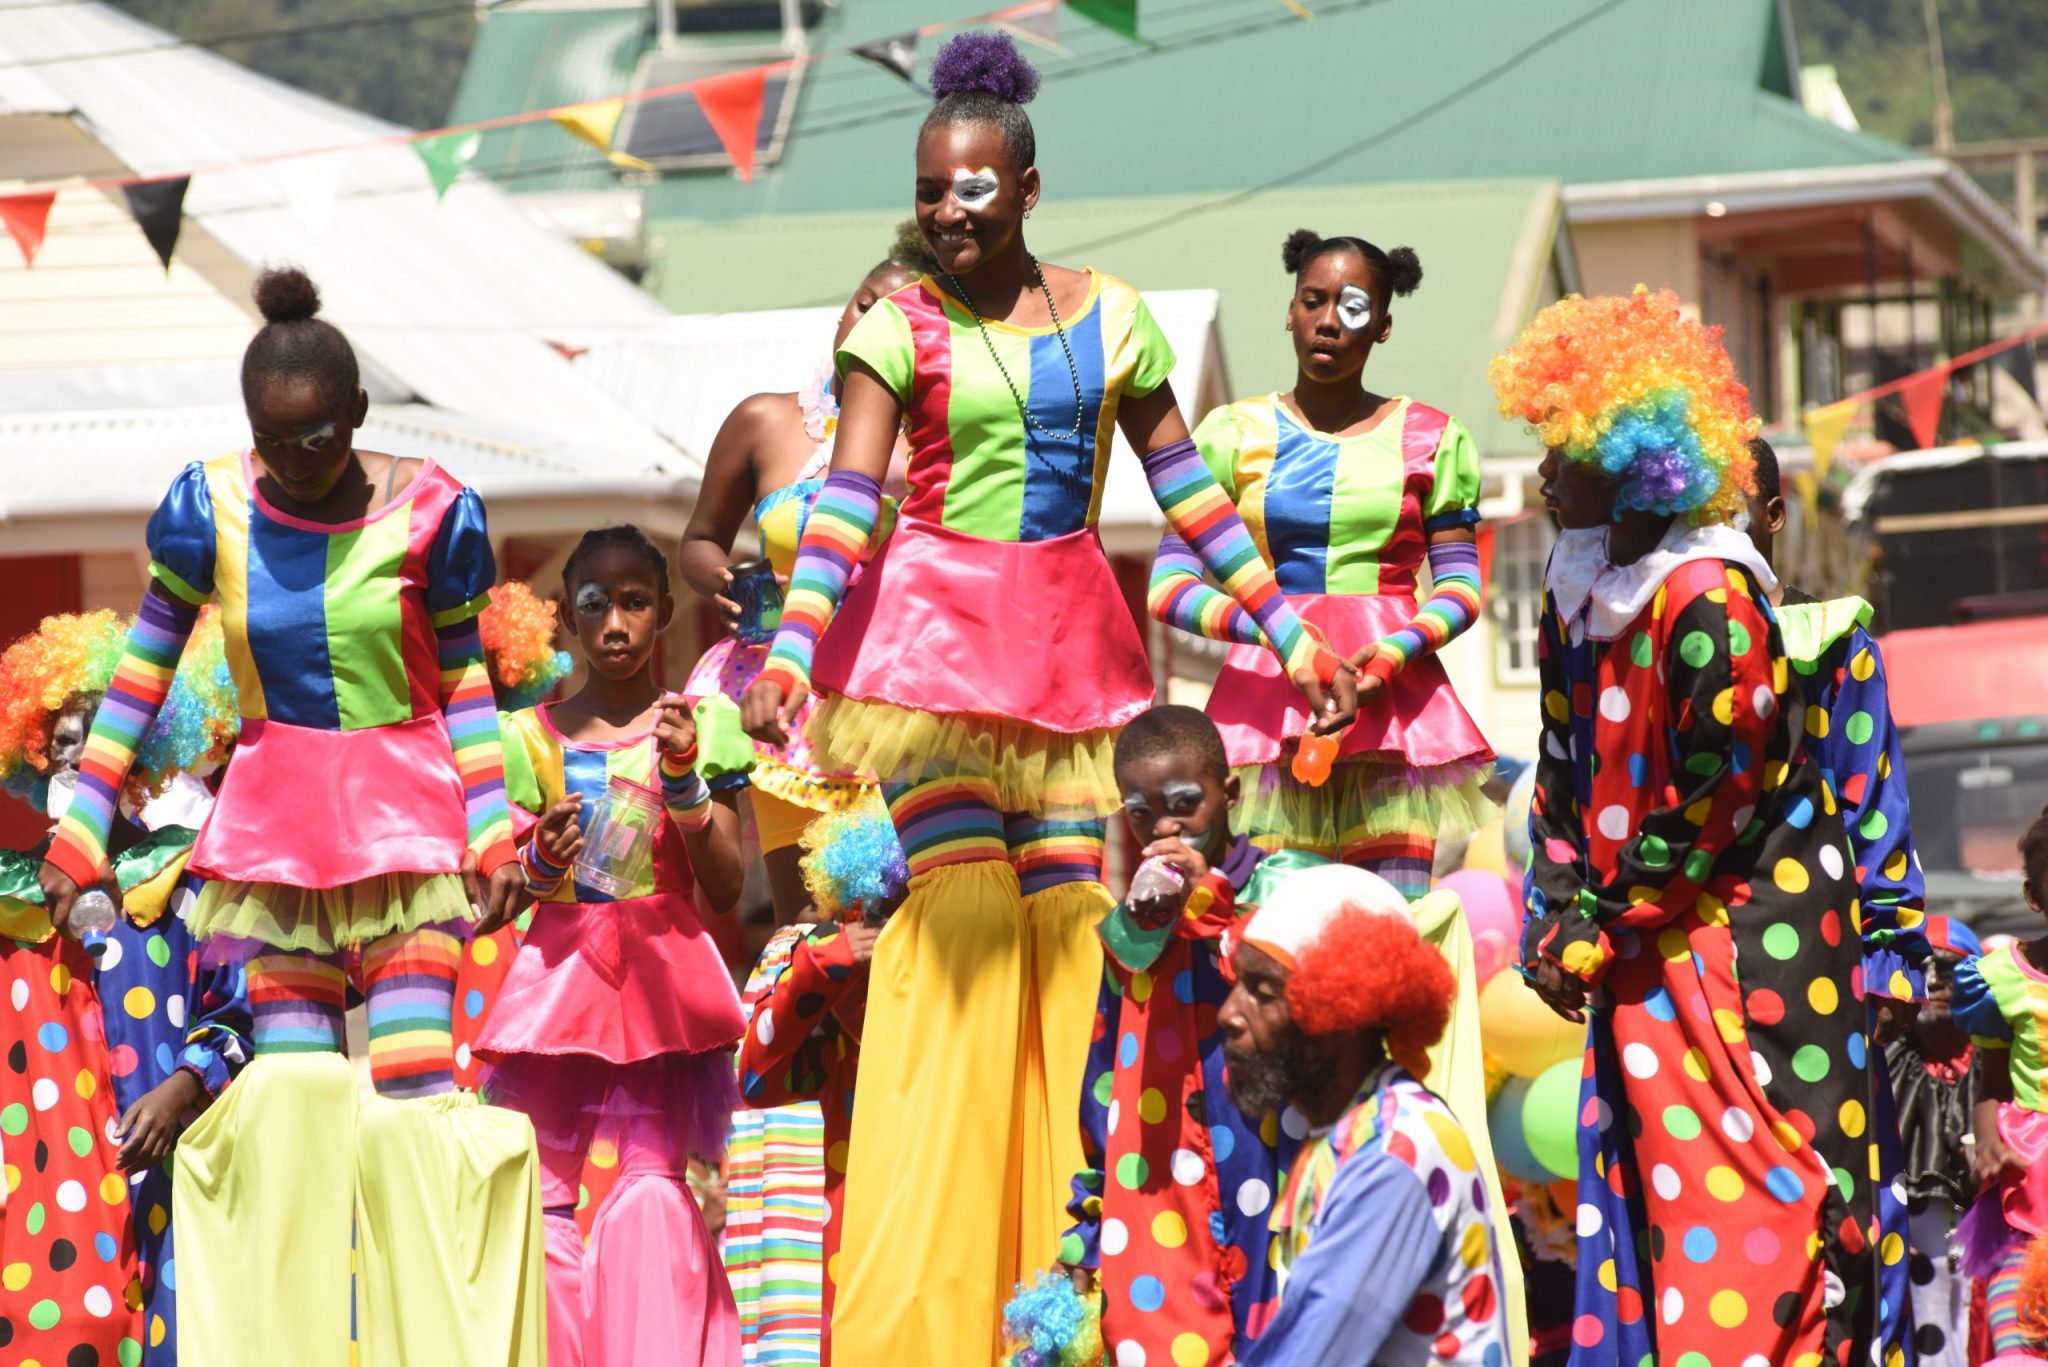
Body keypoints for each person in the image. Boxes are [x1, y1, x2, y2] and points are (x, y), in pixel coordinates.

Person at [740, 32, 1353, 1360]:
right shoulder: (892, 326)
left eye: (971, 190)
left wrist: (1291, 634)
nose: (947, 214)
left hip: (1076, 667)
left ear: (1025, 187)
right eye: (928, 191)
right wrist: (793, 649)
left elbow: (1187, 492)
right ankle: (927, 1323)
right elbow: (848, 498)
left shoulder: (1114, 316)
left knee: (1083, 950)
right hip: (932, 673)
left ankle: (1068, 1293)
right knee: (956, 954)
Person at [36, 267, 544, 1366]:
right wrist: (77, 835)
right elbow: (138, 677)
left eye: (316, 437)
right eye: (274, 439)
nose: (295, 460)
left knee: (412, 1097)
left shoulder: (433, 509)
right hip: (273, 842)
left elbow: (462, 681)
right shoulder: (207, 506)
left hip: (407, 829)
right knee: (300, 1095)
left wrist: (495, 831)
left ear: (358, 414)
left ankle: (437, 1344)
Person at [1496, 288, 1890, 1365]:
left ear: (1632, 457)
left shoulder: (1711, 597)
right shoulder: (1576, 597)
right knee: (1659, 1212)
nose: (1539, 473)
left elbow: (1713, 791)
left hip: (1737, 952)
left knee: (1757, 1203)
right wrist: (1561, 909)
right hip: (1636, 945)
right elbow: (1562, 770)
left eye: (1560, 447)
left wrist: (1608, 915)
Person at [1146, 229, 1493, 898]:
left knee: (1390, 924)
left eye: (1355, 307)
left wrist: (1389, 656)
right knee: (1273, 926)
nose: (1330, 320)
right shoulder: (1229, 433)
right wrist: (1282, 637)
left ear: (1384, 327)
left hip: (1395, 714)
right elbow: (1168, 587)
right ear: (1289, 311)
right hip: (1264, 711)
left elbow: (1461, 589)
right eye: (1314, 300)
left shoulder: (1436, 439)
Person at [473, 526, 748, 1367]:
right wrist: (540, 857)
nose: (617, 623)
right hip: (558, 982)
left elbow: (728, 885)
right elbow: (491, 900)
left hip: (663, 981)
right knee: (539, 1200)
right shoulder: (526, 737)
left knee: (651, 1189)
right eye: (596, 603)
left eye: (635, 602)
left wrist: (686, 783)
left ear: (666, 611)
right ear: (568, 618)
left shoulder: (703, 723)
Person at [0, 608, 248, 1367]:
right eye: (63, 743)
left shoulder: (189, 877)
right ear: (37, 757)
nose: (80, 757)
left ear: (140, 760)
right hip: (47, 1189)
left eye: (102, 741)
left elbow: (240, 1007)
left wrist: (183, 1086)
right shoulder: (11, 898)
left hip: (176, 1182)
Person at [681, 229, 933, 925]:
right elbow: (698, 540)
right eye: (862, 305)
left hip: (894, 701)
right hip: (783, 699)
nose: (869, 327)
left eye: (899, 321)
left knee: (897, 932)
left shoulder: (938, 443)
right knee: (812, 935)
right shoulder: (766, 421)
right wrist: (725, 579)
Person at [1061, 704, 1326, 1365]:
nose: (1165, 825)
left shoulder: (1284, 881)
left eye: (1185, 802)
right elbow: (1104, 1081)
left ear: (1229, 793)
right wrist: (1088, 1226)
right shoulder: (1131, 928)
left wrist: (1203, 897)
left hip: (1275, 1180)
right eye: (1141, 812)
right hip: (1160, 1206)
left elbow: (1302, 985)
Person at [1745, 434, 1929, 1356]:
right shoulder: (1644, 630)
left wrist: (1890, 961)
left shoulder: (1832, 642)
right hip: (1704, 966)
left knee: (1845, 1202)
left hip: (1822, 974)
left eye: (1734, 506)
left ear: (1774, 519)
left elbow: (1872, 801)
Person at [1219, 863, 1510, 1365]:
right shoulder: (1341, 1138)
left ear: (1341, 1012)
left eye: (1262, 993)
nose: (1229, 1013)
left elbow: (1311, 1353)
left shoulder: (1397, 1151)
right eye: (1237, 984)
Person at [732, 801, 907, 1364]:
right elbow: (756, 1075)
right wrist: (828, 961)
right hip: (832, 1210)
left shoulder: (939, 953)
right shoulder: (807, 949)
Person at [1955, 810, 2048, 1353]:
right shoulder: (2000, 978)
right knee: (2022, 1342)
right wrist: (1989, 1145)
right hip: (2029, 1175)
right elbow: (1990, 1083)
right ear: (2033, 895)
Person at [1889, 916, 1981, 1367]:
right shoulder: (1883, 1061)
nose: (1934, 982)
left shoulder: (2001, 1062)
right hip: (1910, 1237)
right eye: (1922, 969)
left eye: (1948, 969)